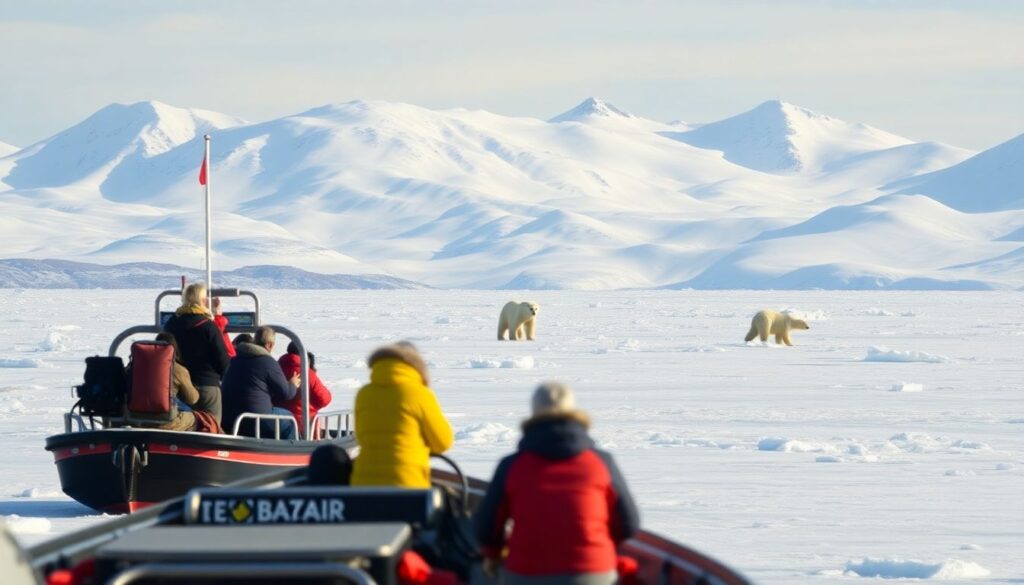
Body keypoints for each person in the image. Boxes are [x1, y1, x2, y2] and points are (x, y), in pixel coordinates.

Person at [474, 382, 640, 585]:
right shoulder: (601, 462)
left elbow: (487, 529)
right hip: (592, 572)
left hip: (527, 573)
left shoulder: (512, 465)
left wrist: (493, 553)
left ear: (534, 412)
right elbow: (628, 524)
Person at [351, 342, 453, 488]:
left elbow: (363, 437)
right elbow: (443, 442)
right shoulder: (419, 394)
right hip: (407, 485)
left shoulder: (364, 394)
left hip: (363, 485)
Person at [162, 283, 230, 424]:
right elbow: (223, 362)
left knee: (182, 430)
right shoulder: (208, 327)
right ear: (203, 301)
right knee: (210, 428)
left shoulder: (171, 324)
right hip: (207, 387)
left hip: (177, 389)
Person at [221, 326, 300, 438]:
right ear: (270, 345)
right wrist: (292, 384)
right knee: (290, 420)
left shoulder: (235, 359)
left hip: (229, 418)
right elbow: (286, 393)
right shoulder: (267, 362)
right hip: (256, 419)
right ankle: (291, 452)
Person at [125, 332, 202, 431]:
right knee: (196, 419)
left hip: (136, 419)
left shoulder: (134, 366)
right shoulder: (178, 369)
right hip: (167, 421)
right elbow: (192, 399)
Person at [277, 341, 333, 435]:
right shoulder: (307, 373)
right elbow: (324, 399)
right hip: (304, 427)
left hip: (277, 425)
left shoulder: (276, 370)